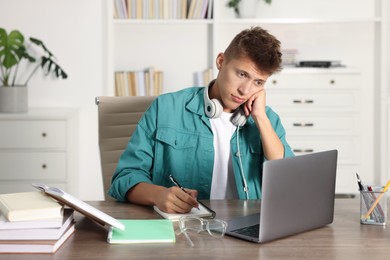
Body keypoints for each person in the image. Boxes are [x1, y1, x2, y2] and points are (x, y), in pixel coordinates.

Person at [108, 26, 294, 214]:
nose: (245, 91)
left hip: (247, 227)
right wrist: (158, 195)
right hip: (183, 227)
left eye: (258, 82)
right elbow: (124, 178)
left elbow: (288, 180)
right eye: (242, 74)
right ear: (221, 61)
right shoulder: (166, 108)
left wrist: (260, 118)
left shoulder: (267, 119)